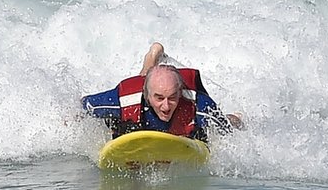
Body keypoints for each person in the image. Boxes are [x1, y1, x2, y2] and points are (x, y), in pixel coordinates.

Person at [81, 43, 243, 142]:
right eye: (159, 99)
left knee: (228, 121)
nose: (166, 106)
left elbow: (226, 131)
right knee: (145, 81)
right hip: (143, 90)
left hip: (163, 90)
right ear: (147, 95)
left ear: (180, 93)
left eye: (172, 98)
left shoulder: (198, 105)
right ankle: (151, 59)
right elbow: (83, 106)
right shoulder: (121, 101)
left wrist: (235, 122)